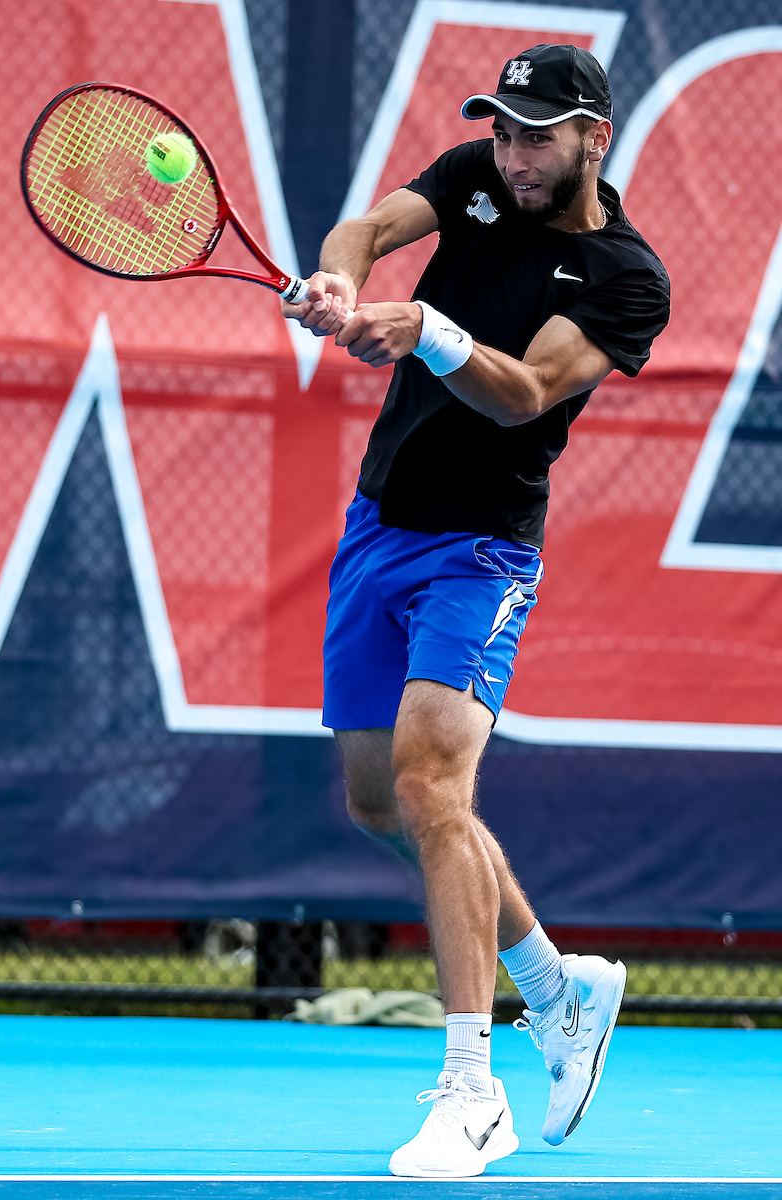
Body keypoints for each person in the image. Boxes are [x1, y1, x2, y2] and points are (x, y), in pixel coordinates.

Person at [283, 43, 670, 1179]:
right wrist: (345, 283)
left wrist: (423, 329)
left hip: (481, 551)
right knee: (375, 803)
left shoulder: (623, 277)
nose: (510, 152)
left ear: (592, 137)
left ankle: (470, 1091)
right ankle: (557, 987)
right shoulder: (473, 177)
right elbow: (363, 231)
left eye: (535, 135)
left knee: (427, 783)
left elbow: (527, 394)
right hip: (377, 525)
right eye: (501, 130)